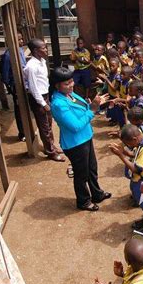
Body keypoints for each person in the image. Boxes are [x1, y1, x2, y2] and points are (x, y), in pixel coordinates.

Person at [50, 67, 111, 211]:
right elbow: (75, 126)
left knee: (92, 169)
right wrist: (93, 110)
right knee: (81, 174)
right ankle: (83, 201)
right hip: (75, 143)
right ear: (57, 86)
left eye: (71, 81)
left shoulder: (70, 95)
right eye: (66, 83)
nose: (71, 85)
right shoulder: (58, 104)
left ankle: (97, 193)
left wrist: (92, 105)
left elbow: (84, 109)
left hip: (86, 137)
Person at [24, 38, 64, 162]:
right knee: (44, 126)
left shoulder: (41, 61)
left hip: (45, 95)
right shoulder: (31, 67)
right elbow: (33, 87)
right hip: (38, 98)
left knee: (49, 123)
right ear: (36, 50)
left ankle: (52, 146)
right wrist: (42, 103)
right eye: (43, 48)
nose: (46, 50)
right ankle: (50, 152)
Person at [0, 31, 26, 142]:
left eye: (21, 39)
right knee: (19, 109)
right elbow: (5, 75)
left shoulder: (20, 50)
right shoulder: (8, 55)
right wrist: (10, 87)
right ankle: (22, 133)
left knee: (25, 107)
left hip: (24, 83)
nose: (21, 41)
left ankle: (27, 130)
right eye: (18, 40)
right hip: (16, 85)